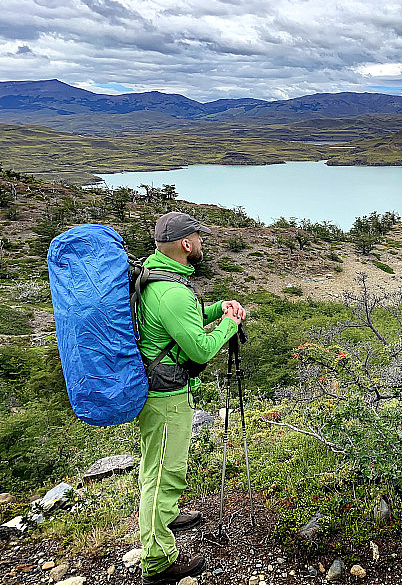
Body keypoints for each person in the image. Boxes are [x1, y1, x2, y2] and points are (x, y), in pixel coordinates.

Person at [136, 211, 246, 584]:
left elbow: (184, 321)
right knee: (163, 473)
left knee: (161, 465)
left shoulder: (161, 277)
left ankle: (164, 518)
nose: (201, 242)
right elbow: (199, 349)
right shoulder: (171, 291)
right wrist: (229, 325)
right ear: (186, 244)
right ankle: (157, 561)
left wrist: (218, 309)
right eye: (198, 236)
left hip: (161, 391)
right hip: (166, 396)